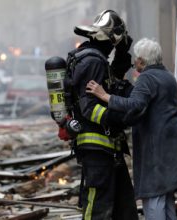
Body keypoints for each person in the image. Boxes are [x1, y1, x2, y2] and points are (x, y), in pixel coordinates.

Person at [86, 38, 177, 220]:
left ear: (143, 61)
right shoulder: (168, 76)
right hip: (173, 144)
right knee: (166, 195)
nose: (134, 62)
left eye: (137, 58)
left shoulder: (147, 77)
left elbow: (135, 104)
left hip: (157, 148)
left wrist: (104, 95)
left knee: (153, 195)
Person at [67, 10, 138, 220]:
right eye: (116, 44)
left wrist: (123, 55)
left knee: (123, 206)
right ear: (109, 39)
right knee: (97, 206)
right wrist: (116, 118)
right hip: (97, 145)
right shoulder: (94, 61)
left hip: (107, 147)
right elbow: (89, 106)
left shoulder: (91, 58)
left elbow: (111, 82)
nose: (114, 48)